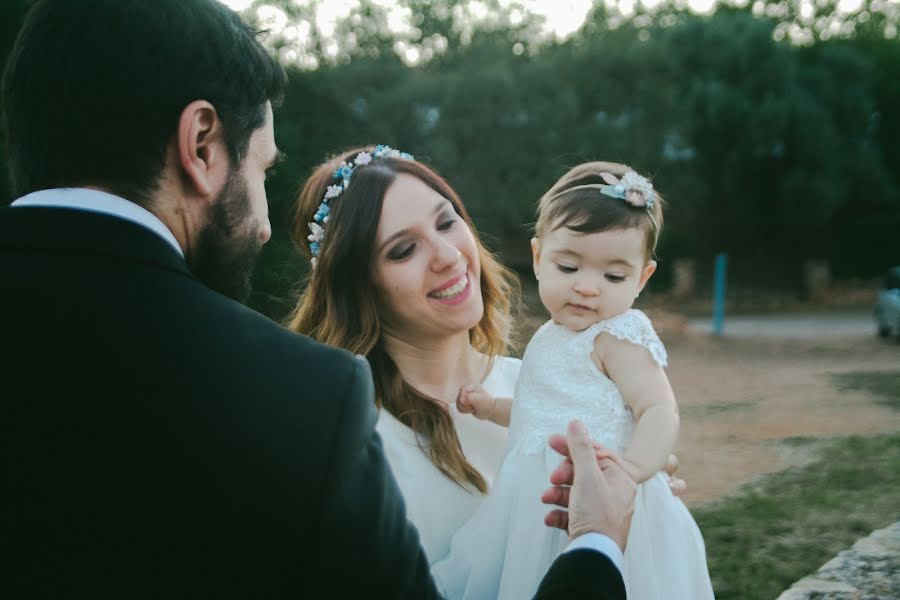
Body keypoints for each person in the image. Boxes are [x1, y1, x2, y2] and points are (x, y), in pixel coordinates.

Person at [1, 2, 636, 598]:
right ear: (200, 146)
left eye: (446, 222)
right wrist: (598, 544)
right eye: (262, 170)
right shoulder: (307, 409)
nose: (263, 226)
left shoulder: (539, 386)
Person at [287, 147, 685, 589]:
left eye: (446, 222)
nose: (447, 256)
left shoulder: (534, 384)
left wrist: (638, 495)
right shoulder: (358, 443)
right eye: (403, 250)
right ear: (358, 286)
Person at [431, 162, 715, 599]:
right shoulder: (549, 336)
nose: (587, 287)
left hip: (605, 501)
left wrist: (635, 469)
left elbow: (658, 409)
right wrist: (490, 408)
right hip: (531, 505)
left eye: (613, 276)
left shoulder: (619, 337)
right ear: (539, 258)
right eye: (568, 267)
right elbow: (541, 410)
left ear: (642, 278)